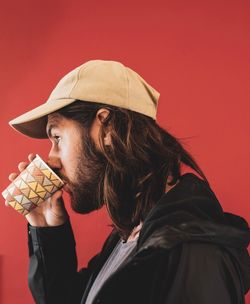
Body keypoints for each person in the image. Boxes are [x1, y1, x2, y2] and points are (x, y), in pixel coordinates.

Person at [6, 60, 250, 304]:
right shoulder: (131, 237)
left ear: (108, 128)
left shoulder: (191, 252)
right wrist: (47, 228)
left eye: (57, 137)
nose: (52, 159)